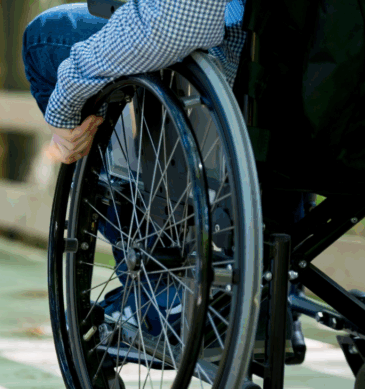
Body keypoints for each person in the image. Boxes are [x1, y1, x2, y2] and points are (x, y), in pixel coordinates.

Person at [22, 0, 310, 357]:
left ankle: (159, 287)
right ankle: (271, 298)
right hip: (351, 110)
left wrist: (67, 98)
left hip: (248, 74)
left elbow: (178, 20)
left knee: (44, 39)